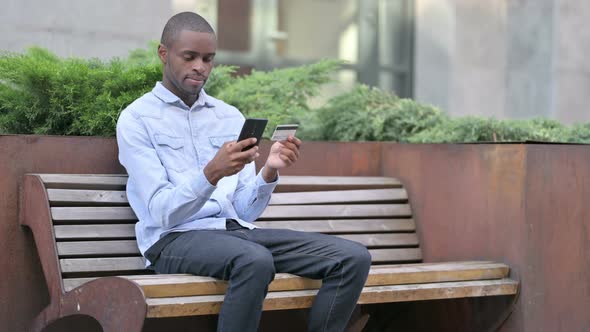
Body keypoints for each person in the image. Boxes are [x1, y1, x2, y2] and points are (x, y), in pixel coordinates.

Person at [116, 11, 371, 332]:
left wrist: (268, 172)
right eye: (190, 56)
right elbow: (162, 213)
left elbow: (244, 209)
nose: (200, 67)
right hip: (171, 240)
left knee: (352, 258)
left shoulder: (229, 117)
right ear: (164, 54)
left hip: (234, 233)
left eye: (208, 59)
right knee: (254, 260)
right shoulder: (137, 119)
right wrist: (211, 174)